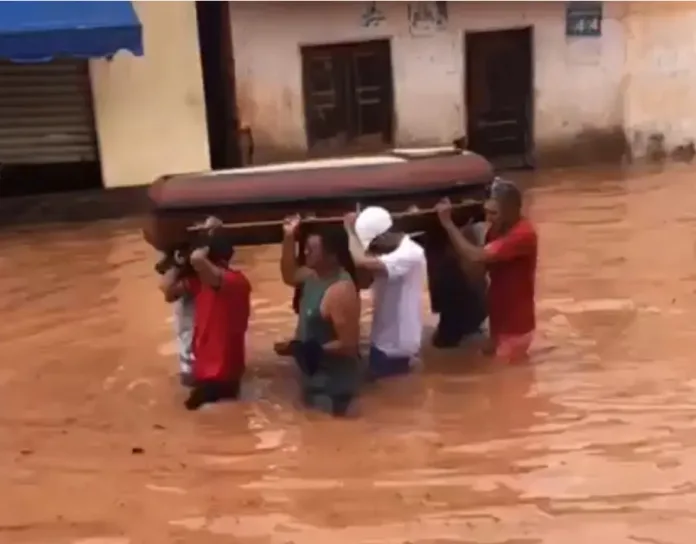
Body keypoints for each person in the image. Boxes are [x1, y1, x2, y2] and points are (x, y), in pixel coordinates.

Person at [436, 179, 537, 362]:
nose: (488, 218)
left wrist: (449, 225)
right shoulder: (496, 231)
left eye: (494, 213)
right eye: (487, 212)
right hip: (498, 323)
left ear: (513, 210)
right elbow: (478, 271)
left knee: (506, 385)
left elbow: (478, 257)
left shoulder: (523, 234)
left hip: (516, 328)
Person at [277, 216, 361, 417]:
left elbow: (349, 345)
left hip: (332, 390)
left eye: (312, 250)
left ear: (332, 255)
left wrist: (304, 350)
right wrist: (289, 236)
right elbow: (289, 274)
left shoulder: (340, 291)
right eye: (305, 247)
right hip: (314, 379)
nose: (305, 253)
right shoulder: (312, 276)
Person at [160, 226, 251, 410]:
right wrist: (178, 263)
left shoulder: (233, 282)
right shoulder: (201, 282)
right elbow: (167, 290)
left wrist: (201, 244)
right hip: (207, 375)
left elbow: (198, 260)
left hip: (222, 377)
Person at [344, 206, 427, 380]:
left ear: (384, 237)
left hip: (395, 345)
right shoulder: (388, 252)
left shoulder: (409, 253)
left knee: (391, 396)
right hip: (383, 341)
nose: (373, 249)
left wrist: (350, 232)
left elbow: (361, 261)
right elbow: (364, 282)